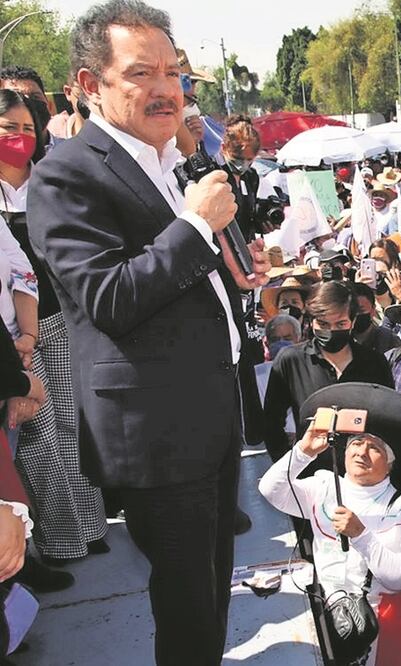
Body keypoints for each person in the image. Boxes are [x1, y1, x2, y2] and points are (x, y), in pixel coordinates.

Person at [27, 2, 272, 662]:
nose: (166, 88)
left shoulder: (172, 161)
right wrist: (194, 228)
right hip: (157, 435)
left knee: (213, 594)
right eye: (141, 72)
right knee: (189, 611)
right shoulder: (66, 174)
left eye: (173, 72)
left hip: (212, 415)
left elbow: (177, 269)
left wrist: (231, 272)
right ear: (89, 84)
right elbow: (108, 297)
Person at [260, 383, 401, 666]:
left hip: (380, 622)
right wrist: (303, 451)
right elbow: (270, 490)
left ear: (390, 464)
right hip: (326, 612)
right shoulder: (324, 484)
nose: (361, 452)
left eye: (374, 448)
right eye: (356, 443)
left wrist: (360, 534)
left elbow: (399, 577)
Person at [0, 87, 111, 565]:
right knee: (37, 438)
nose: (20, 138)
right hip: (10, 338)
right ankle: (60, 541)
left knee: (73, 425)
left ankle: (91, 525)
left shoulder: (50, 180)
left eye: (28, 128)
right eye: (10, 129)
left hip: (59, 319)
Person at [263, 281, 393, 461]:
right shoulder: (290, 361)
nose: (331, 331)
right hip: (307, 477)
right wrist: (289, 467)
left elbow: (387, 422)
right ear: (311, 321)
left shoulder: (375, 363)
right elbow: (271, 422)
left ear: (353, 321)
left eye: (340, 324)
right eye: (323, 324)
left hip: (362, 476)